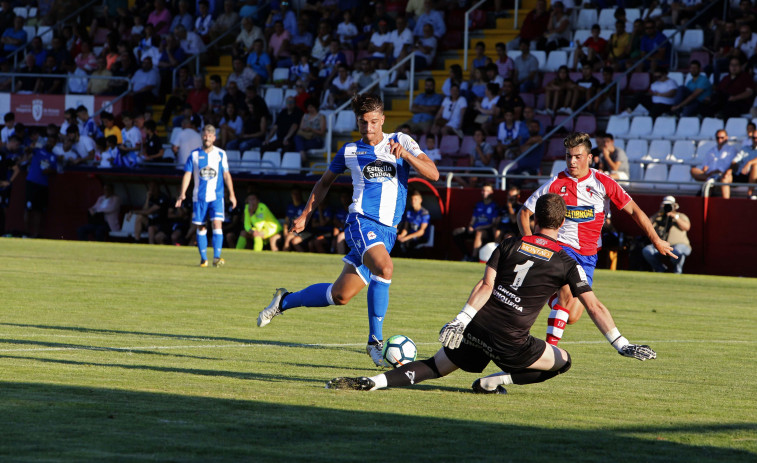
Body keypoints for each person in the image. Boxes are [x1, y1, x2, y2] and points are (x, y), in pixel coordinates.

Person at [326, 193, 657, 392]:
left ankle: (374, 382)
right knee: (563, 362)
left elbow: (485, 286)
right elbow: (593, 305)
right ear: (563, 222)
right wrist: (621, 344)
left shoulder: (510, 242)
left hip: (477, 326)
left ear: (536, 217)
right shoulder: (567, 261)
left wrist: (460, 319)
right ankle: (494, 382)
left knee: (434, 366)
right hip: (512, 341)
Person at [257, 93, 439, 368]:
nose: (368, 128)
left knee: (340, 295)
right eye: (363, 123)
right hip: (361, 222)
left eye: (373, 122)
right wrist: (306, 214)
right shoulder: (350, 151)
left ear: (383, 120)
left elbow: (433, 173)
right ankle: (375, 342)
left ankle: (284, 301)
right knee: (385, 269)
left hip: (388, 232)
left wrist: (407, 157)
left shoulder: (401, 141)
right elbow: (324, 182)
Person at [518, 132, 675, 346]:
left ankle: (549, 294)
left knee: (571, 315)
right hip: (563, 249)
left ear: (589, 158)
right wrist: (532, 246)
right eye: (568, 156)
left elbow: (635, 211)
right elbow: (524, 213)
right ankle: (547, 353)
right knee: (565, 299)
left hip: (589, 255)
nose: (572, 161)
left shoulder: (603, 182)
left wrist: (656, 239)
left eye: (577, 156)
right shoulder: (556, 183)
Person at [175, 124, 237, 267]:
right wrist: (182, 194)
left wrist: (232, 194)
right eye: (205, 135)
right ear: (202, 136)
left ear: (214, 138)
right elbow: (187, 174)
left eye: (210, 135)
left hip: (217, 196)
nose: (207, 137)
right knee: (201, 227)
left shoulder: (221, 154)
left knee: (217, 223)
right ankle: (204, 259)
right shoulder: (194, 155)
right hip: (200, 197)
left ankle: (217, 257)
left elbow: (226, 175)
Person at [642, 196, 691, 274]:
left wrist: (675, 216)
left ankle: (677, 272)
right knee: (647, 250)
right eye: (665, 205)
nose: (668, 207)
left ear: (675, 206)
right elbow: (647, 225)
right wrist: (658, 213)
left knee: (678, 251)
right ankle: (661, 269)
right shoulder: (659, 216)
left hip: (679, 245)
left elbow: (686, 227)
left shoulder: (681, 216)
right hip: (662, 246)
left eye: (670, 205)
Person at [452, 184, 499, 262]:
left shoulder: (494, 206)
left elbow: (494, 224)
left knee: (479, 233)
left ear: (491, 192)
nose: (484, 193)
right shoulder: (478, 204)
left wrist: (480, 228)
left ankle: (473, 258)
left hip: (487, 231)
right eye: (483, 190)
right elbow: (473, 219)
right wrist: (470, 226)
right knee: (456, 232)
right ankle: (467, 255)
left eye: (487, 191)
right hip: (475, 228)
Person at [24, 134, 58, 238]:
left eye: (52, 142)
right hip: (32, 182)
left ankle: (36, 233)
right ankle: (26, 233)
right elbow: (27, 150)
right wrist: (31, 146)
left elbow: (55, 170)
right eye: (49, 141)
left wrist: (50, 170)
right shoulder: (38, 151)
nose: (50, 143)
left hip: (43, 185)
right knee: (28, 208)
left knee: (38, 210)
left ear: (54, 144)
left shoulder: (53, 156)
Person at [690, 129, 738, 198]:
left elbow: (728, 166)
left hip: (722, 175)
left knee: (725, 178)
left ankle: (726, 202)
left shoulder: (731, 150)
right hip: (709, 175)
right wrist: (705, 169)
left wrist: (714, 172)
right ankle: (709, 181)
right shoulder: (711, 150)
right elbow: (705, 164)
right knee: (693, 170)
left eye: (722, 137)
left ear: (726, 138)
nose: (719, 139)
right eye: (717, 138)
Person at [395, 189, 430, 258]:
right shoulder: (409, 212)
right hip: (409, 235)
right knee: (397, 241)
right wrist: (402, 236)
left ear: (420, 200)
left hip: (419, 237)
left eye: (415, 199)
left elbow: (421, 232)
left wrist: (406, 238)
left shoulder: (424, 213)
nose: (413, 201)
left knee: (407, 243)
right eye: (412, 199)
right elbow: (406, 228)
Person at [723, 130, 757, 199]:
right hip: (742, 174)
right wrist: (730, 169)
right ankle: (725, 202)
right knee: (725, 178)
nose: (755, 140)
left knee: (755, 166)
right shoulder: (745, 149)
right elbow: (735, 161)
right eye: (754, 138)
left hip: (754, 177)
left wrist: (749, 163)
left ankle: (749, 195)